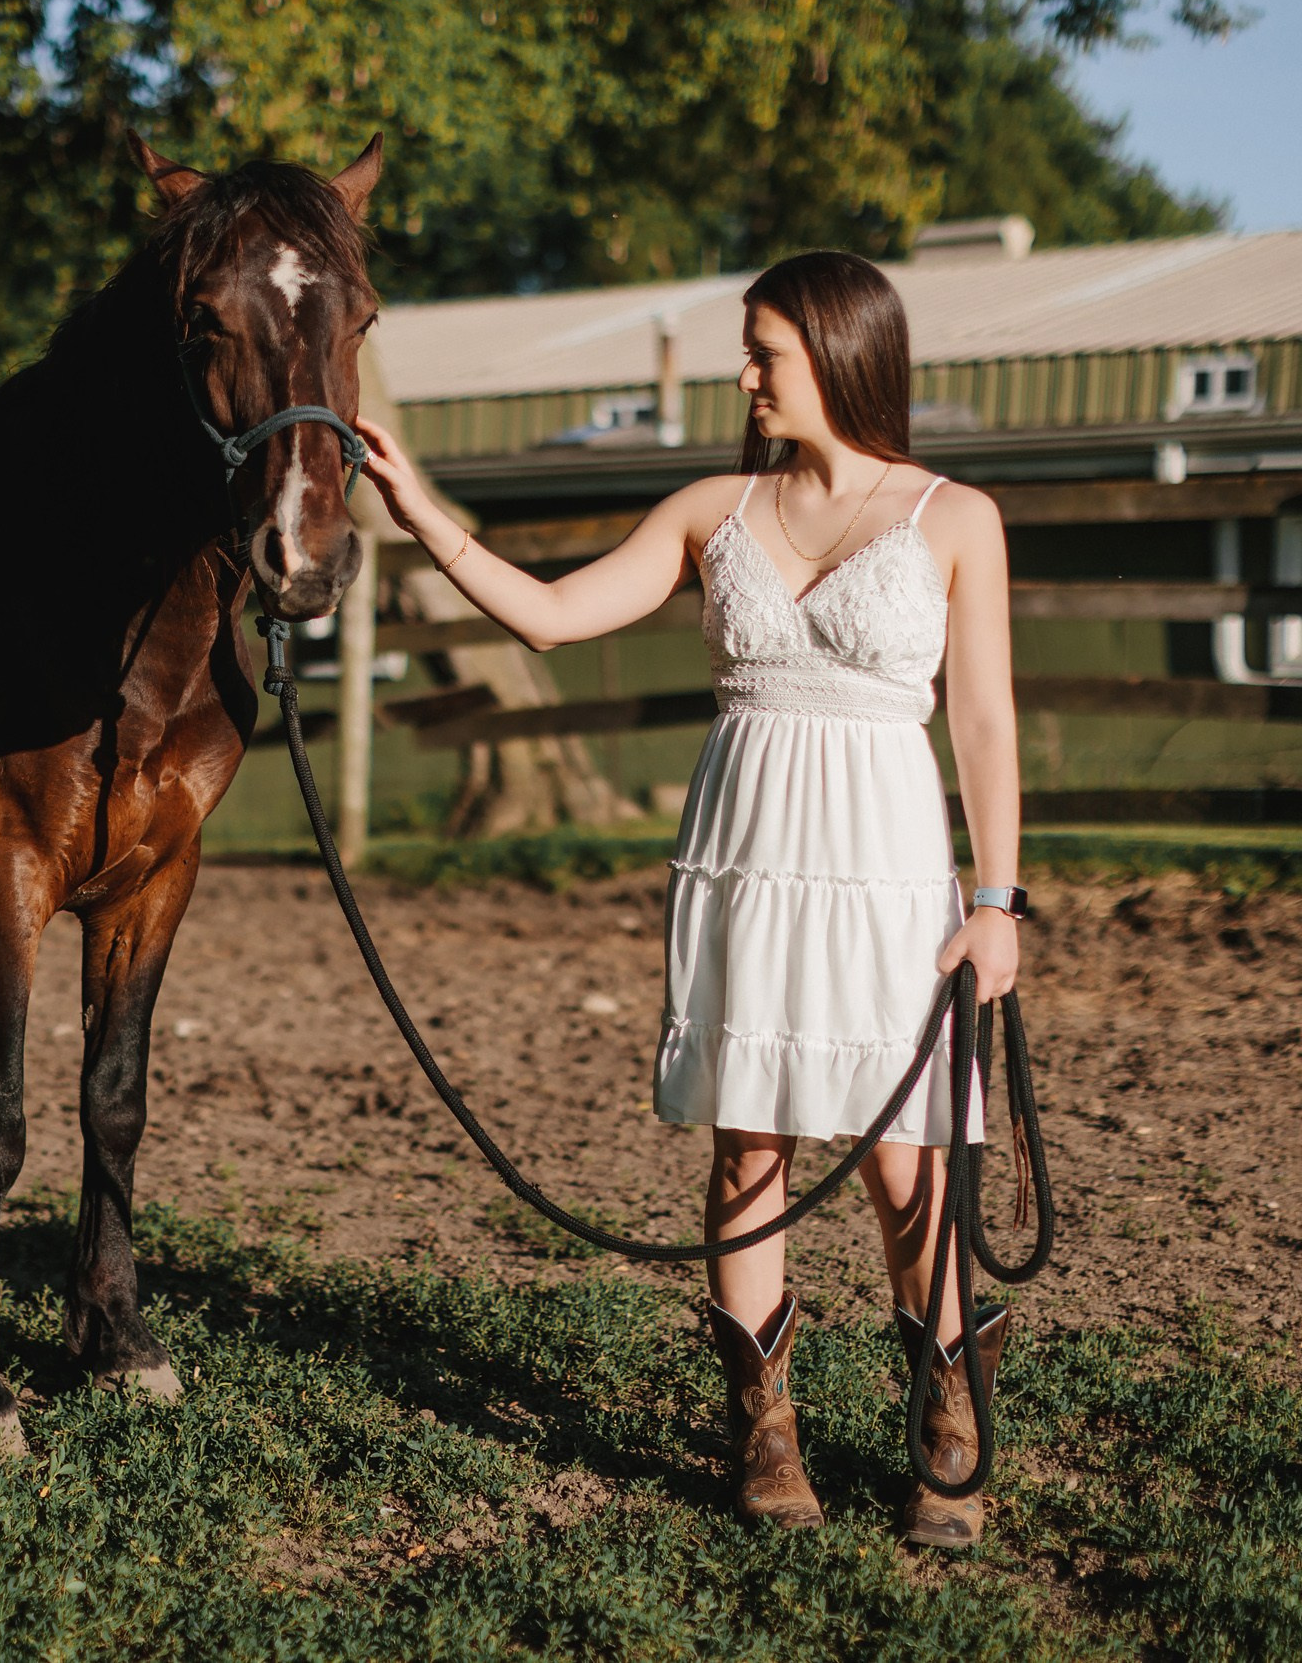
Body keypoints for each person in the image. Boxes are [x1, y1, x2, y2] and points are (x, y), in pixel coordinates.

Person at [353, 250, 1024, 1548]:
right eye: (749, 349)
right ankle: (765, 1435)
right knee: (748, 1148)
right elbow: (550, 616)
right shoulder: (713, 509)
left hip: (886, 867)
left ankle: (950, 1421)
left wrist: (999, 902)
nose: (747, 374)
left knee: (906, 1166)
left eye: (765, 350)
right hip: (748, 859)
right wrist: (419, 504)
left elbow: (988, 722)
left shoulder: (955, 517)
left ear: (838, 351)